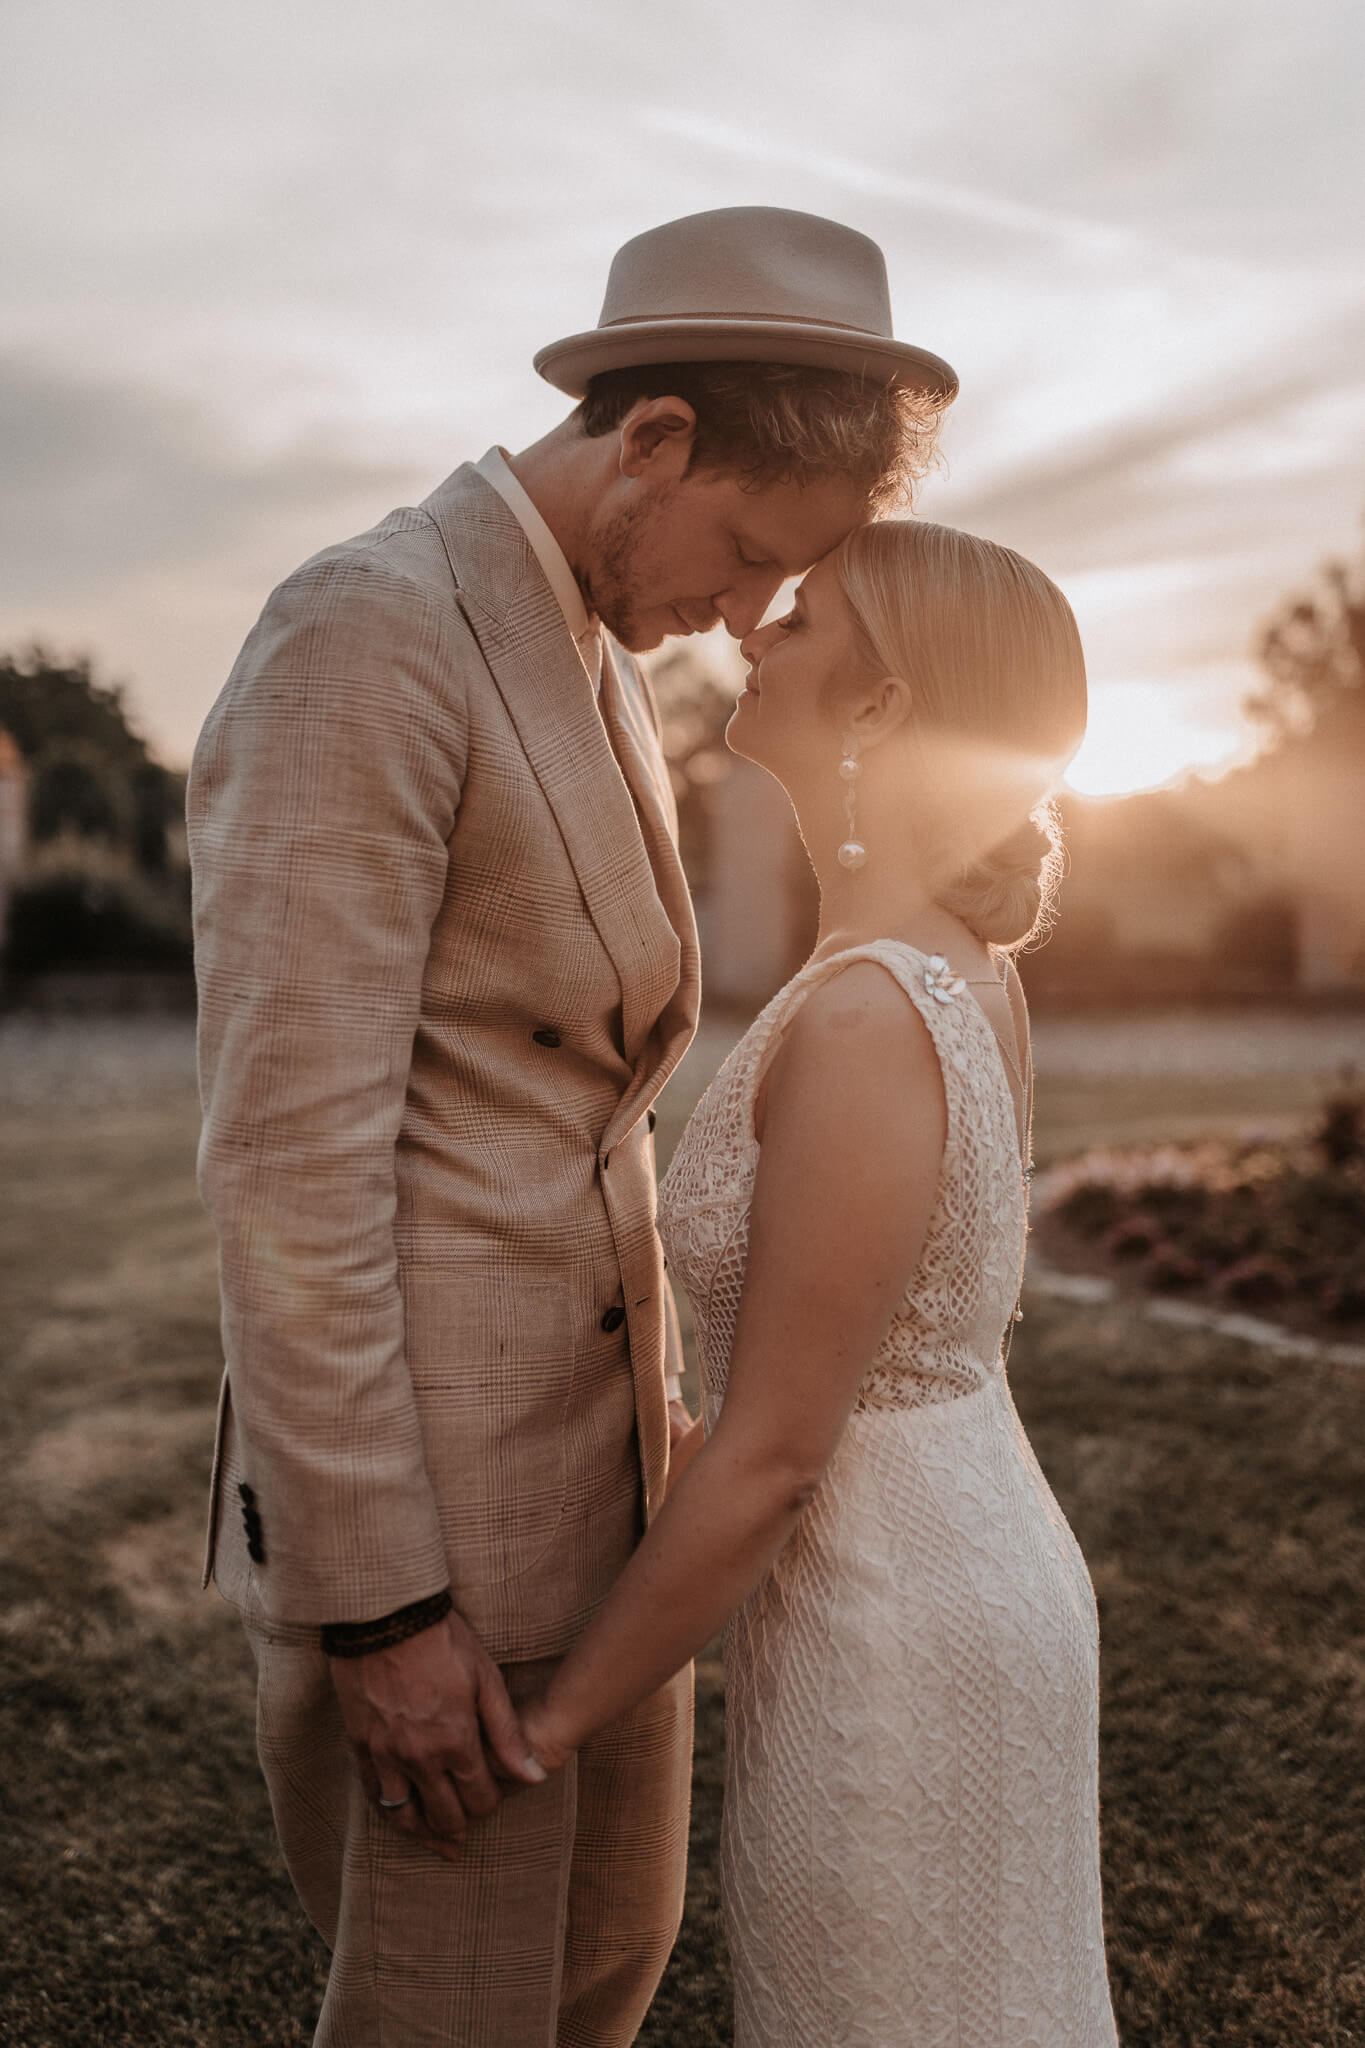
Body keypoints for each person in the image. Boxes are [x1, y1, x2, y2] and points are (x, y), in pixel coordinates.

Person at [187, 206, 954, 2046]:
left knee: (598, 1983)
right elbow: (286, 1169)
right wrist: (380, 1613)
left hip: (600, 1502)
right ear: (658, 437)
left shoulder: (598, 638)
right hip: (431, 1539)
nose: (749, 615)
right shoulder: (366, 634)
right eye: (750, 556)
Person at [517, 520, 1121, 2045]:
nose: (751, 634)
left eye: (803, 620)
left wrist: (549, 1727)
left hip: (896, 1629)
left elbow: (783, 1451)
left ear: (882, 707)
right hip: (977, 1562)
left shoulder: (866, 1018)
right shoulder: (951, 968)